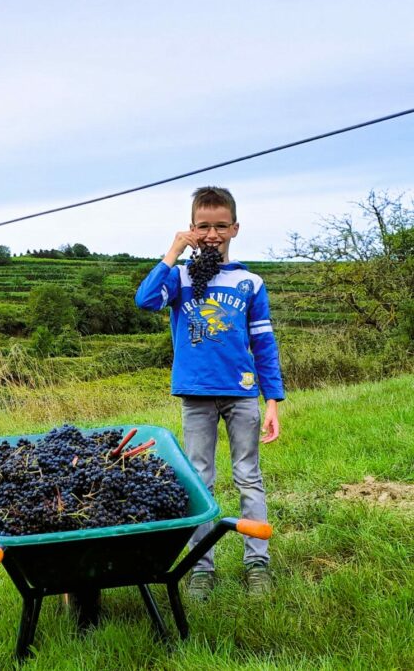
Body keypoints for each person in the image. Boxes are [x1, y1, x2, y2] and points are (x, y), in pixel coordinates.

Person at [134, 185, 284, 600]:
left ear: (235, 227)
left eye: (221, 226)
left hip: (242, 395)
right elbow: (145, 300)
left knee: (248, 478)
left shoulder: (250, 282)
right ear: (192, 228)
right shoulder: (180, 278)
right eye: (203, 226)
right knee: (200, 481)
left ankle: (257, 563)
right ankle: (202, 568)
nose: (213, 233)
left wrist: (272, 401)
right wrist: (174, 249)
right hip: (196, 395)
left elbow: (264, 345)